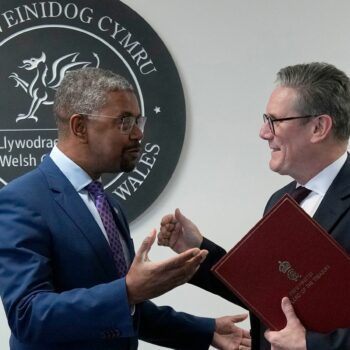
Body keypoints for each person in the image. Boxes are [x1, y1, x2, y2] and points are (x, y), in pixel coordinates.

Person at [0, 67, 252, 350]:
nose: (137, 134)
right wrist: (128, 291)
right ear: (79, 127)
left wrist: (205, 331)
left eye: (138, 121)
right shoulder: (21, 200)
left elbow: (126, 310)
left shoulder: (109, 205)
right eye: (124, 121)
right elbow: (27, 315)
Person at [158, 62, 350, 350]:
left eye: (275, 121)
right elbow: (269, 293)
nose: (264, 132)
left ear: (318, 127)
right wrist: (196, 249)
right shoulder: (280, 201)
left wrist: (312, 344)